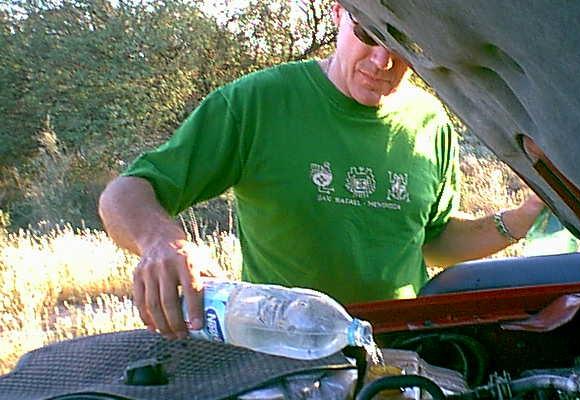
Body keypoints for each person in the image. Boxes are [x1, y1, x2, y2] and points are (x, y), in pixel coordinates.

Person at [98, 3, 544, 340]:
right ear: (337, 13)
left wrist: (522, 217)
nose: (382, 61)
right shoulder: (256, 103)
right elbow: (125, 194)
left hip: (403, 347)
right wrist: (162, 242)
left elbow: (433, 241)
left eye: (403, 45)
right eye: (368, 34)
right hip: (287, 349)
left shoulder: (431, 123)